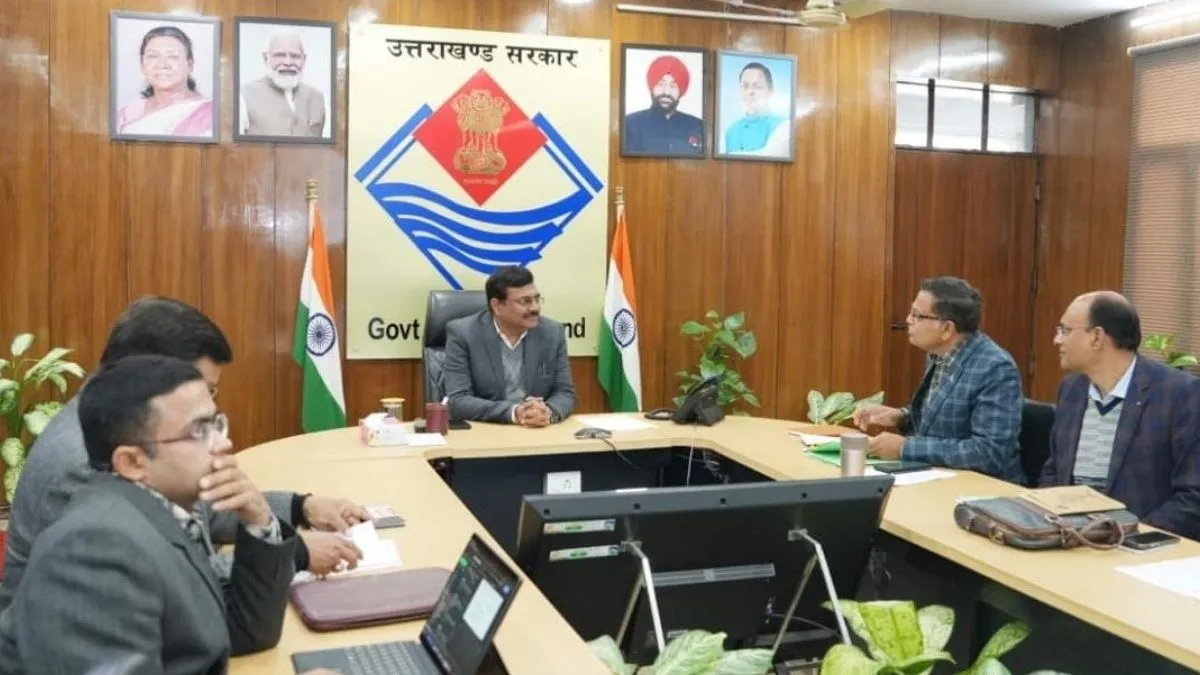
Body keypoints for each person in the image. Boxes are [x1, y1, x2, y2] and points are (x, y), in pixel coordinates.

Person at [0, 296, 365, 612]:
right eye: (200, 388)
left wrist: (301, 507)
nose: (209, 409)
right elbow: (177, 584)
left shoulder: (128, 423)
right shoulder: (84, 462)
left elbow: (204, 513)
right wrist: (294, 554)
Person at [0, 355, 297, 672]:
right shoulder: (97, 548)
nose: (224, 444)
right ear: (131, 462)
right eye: (199, 431)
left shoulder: (162, 513)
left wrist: (259, 520)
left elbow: (241, 633)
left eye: (217, 424)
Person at [1040, 291, 1200, 539]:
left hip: (1139, 541)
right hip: (1071, 537)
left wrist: (1129, 536)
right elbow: (1053, 472)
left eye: (1066, 330)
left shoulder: (1179, 394)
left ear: (1096, 337)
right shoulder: (1071, 389)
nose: (1057, 339)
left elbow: (1193, 497)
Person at [852, 277, 1025, 482]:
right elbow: (939, 420)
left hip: (984, 487)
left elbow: (989, 452)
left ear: (947, 329)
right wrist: (899, 416)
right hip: (936, 477)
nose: (908, 320)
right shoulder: (939, 352)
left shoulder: (995, 367)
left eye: (917, 315)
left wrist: (905, 447)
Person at [443, 266, 576, 426]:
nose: (535, 308)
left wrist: (547, 412)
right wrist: (514, 412)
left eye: (536, 299)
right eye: (525, 301)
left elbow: (564, 393)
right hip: (487, 429)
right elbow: (458, 400)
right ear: (497, 306)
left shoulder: (552, 333)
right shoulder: (464, 333)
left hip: (537, 431)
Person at [116, 25, 214, 137]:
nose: (162, 64)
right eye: (153, 56)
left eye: (173, 56)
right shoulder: (126, 114)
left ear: (190, 65)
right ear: (142, 66)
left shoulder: (211, 114)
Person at [239, 32, 327, 138]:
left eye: (295, 56)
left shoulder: (317, 98)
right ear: (266, 58)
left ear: (304, 60)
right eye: (280, 55)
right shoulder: (244, 95)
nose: (288, 62)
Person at [622, 54, 704, 156]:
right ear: (652, 87)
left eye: (673, 86)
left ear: (681, 91)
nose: (666, 92)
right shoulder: (630, 124)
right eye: (660, 84)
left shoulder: (697, 126)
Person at [723, 62, 787, 155]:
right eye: (745, 86)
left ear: (771, 91)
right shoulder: (730, 131)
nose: (750, 92)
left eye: (757, 86)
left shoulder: (783, 126)